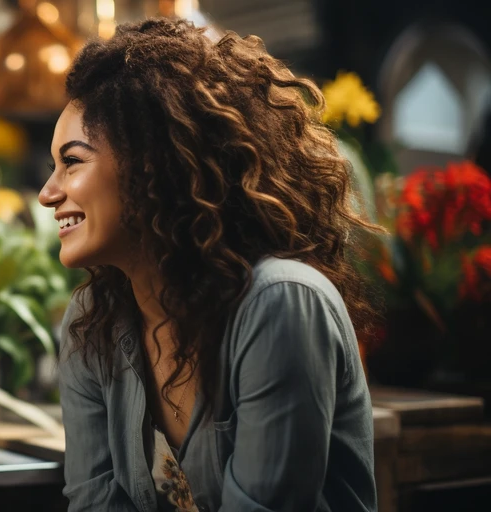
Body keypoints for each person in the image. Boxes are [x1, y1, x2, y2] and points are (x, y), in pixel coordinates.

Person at [40, 18, 378, 512]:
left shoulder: (281, 303)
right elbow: (93, 503)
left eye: (72, 161)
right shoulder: (92, 323)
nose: (49, 192)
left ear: (149, 164)